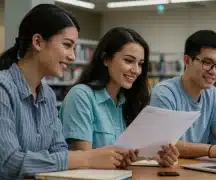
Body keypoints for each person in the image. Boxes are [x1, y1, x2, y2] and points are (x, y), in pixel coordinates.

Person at [0, 4, 132, 180]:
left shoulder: (47, 94)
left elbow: (59, 149)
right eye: (67, 45)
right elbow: (9, 163)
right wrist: (86, 157)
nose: (73, 57)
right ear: (38, 42)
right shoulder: (3, 89)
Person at [60, 27, 179, 167]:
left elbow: (124, 157)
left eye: (140, 64)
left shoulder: (129, 101)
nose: (136, 70)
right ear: (106, 59)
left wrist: (156, 157)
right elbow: (86, 160)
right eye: (129, 61)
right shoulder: (81, 96)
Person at [150, 30, 216, 160]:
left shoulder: (213, 94)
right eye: (207, 63)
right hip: (169, 171)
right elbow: (164, 143)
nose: (214, 71)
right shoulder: (164, 93)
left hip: (198, 170)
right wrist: (210, 150)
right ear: (187, 60)